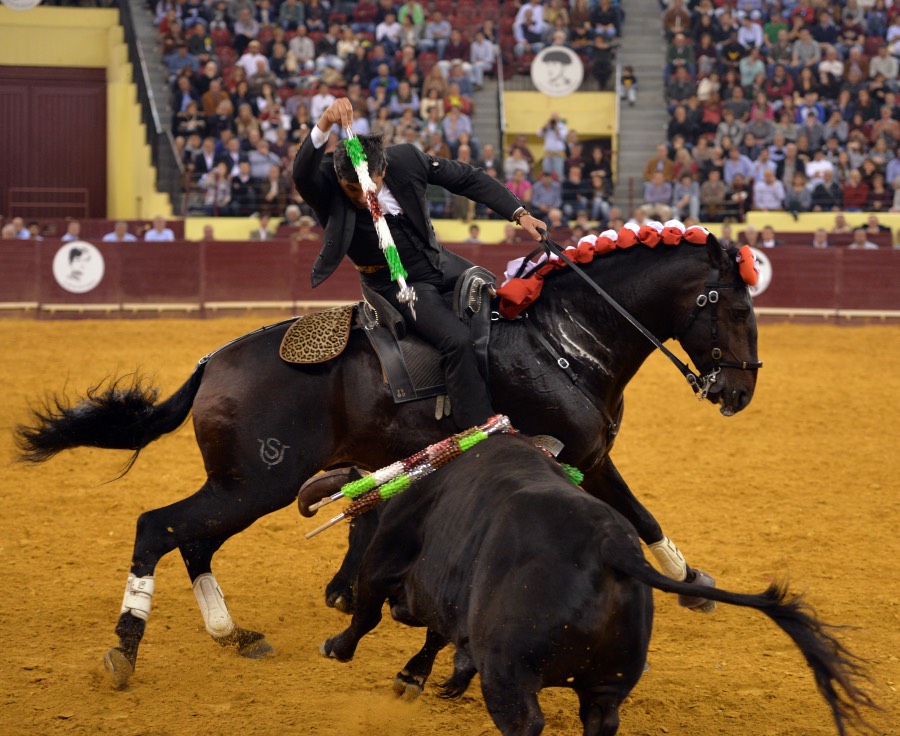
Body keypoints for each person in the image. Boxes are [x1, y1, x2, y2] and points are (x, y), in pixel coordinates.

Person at [291, 98, 546, 430]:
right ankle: (477, 429)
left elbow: (467, 178)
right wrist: (324, 122)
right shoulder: (327, 181)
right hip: (394, 284)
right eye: (351, 189)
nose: (359, 196)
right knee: (455, 340)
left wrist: (519, 213)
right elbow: (301, 172)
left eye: (367, 186)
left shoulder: (407, 159)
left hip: (439, 261)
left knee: (499, 308)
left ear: (382, 171)